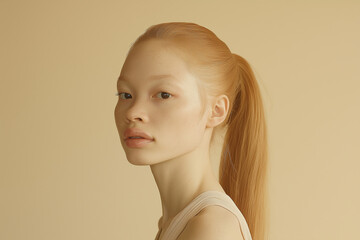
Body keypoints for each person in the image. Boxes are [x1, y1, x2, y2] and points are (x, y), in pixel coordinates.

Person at [114, 22, 268, 240]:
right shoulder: (179, 223)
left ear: (216, 110)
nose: (133, 112)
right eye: (125, 94)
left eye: (163, 94)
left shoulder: (212, 229)